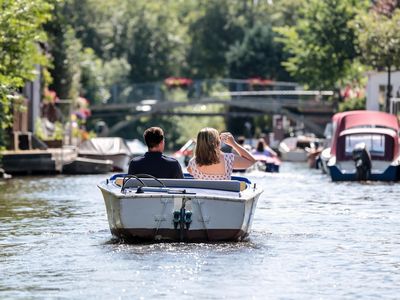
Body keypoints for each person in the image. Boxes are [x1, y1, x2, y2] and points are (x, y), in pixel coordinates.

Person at [187, 128, 256, 180]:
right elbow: (252, 161)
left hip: (202, 197)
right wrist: (233, 144)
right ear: (217, 142)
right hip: (224, 196)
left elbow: (190, 169)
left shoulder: (192, 164)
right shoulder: (228, 159)